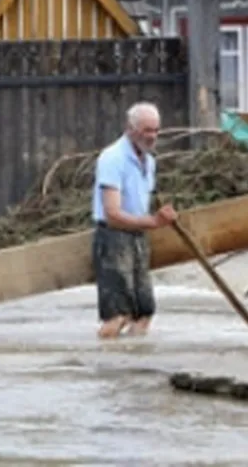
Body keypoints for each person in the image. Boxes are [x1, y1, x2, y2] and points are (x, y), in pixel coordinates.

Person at [91, 101, 178, 339]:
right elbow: (112, 214)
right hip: (113, 239)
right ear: (130, 129)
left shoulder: (149, 161)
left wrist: (159, 218)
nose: (152, 136)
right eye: (146, 130)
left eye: (156, 130)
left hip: (138, 238)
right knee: (118, 315)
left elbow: (143, 202)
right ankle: (107, 366)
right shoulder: (112, 158)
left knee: (144, 311)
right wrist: (154, 222)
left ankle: (132, 364)